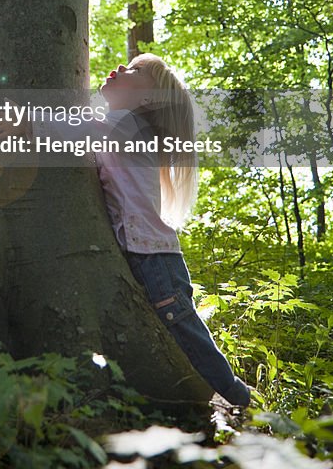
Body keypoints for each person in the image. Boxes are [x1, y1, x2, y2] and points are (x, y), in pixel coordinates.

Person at [97, 53, 251, 407]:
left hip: (154, 259)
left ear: (149, 99)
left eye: (134, 71)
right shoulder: (129, 128)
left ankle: (238, 400)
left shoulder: (126, 124)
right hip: (155, 255)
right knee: (183, 332)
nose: (121, 68)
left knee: (188, 338)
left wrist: (24, 125)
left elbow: (72, 129)